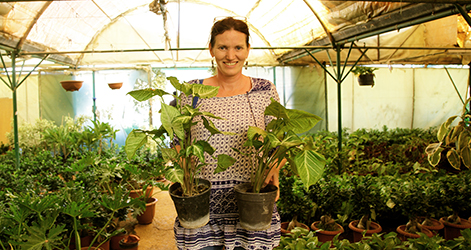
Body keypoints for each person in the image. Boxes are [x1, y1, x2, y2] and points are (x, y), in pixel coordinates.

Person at [173, 17, 283, 250]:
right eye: (222, 47)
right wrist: (183, 174)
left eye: (238, 48)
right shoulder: (191, 92)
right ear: (211, 49)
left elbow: (279, 140)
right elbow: (177, 141)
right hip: (201, 207)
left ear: (248, 50)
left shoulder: (264, 90)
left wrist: (275, 169)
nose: (230, 55)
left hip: (252, 202)